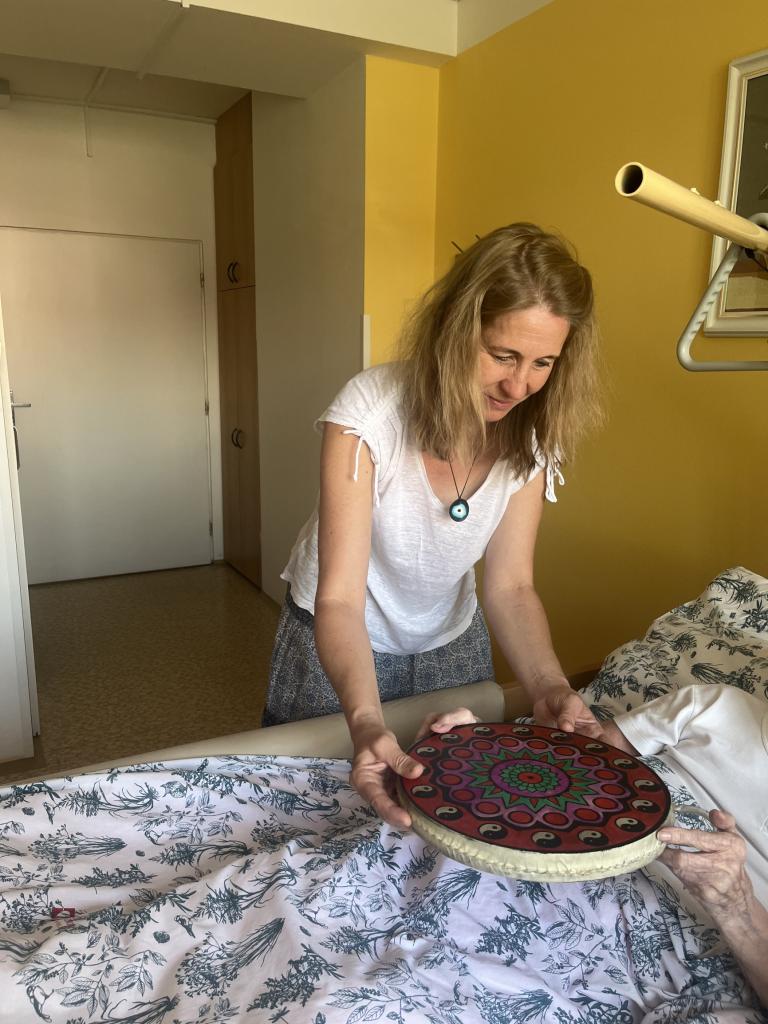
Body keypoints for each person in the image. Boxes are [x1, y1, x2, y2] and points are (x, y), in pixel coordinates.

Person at [263, 223, 603, 828]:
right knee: (315, 811)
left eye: (543, 362)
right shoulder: (370, 413)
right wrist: (365, 720)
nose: (518, 385)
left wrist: (549, 686)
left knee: (453, 807)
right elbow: (339, 597)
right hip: (341, 632)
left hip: (450, 638)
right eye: (502, 355)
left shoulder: (531, 435)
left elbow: (511, 587)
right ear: (454, 330)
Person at [426, 683, 768, 1008]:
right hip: (540, 845)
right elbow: (579, 760)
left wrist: (736, 907)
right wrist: (476, 747)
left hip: (644, 941)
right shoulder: (715, 706)